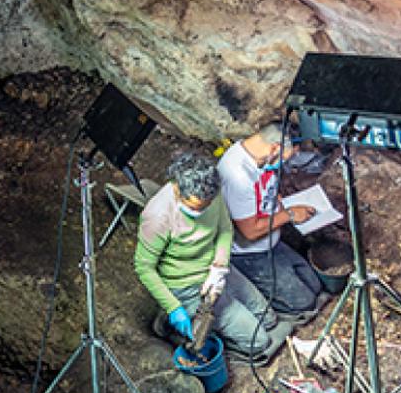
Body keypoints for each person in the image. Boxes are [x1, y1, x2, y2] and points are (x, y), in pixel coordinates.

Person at [133, 152, 280, 360]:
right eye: (195, 208)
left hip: (215, 271)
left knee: (268, 319)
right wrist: (174, 307)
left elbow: (225, 229)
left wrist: (219, 268)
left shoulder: (210, 190)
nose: (201, 211)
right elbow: (143, 267)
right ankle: (173, 321)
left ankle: (207, 317)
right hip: (186, 285)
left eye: (206, 205)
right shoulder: (158, 216)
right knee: (259, 342)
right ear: (178, 191)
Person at [217, 121, 326, 323]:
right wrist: (290, 215)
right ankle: (251, 288)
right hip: (249, 252)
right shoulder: (237, 176)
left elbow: (269, 188)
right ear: (276, 147)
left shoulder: (261, 154)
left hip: (272, 240)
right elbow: (249, 232)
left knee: (315, 285)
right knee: (304, 302)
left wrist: (283, 203)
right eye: (288, 156)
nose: (285, 163)